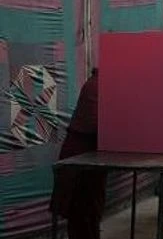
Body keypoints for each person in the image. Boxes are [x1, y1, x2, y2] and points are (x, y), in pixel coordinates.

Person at [50, 69, 107, 239]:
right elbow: (96, 124)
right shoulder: (96, 86)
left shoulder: (101, 83)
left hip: (90, 158)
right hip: (79, 158)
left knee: (89, 214)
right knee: (81, 213)